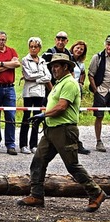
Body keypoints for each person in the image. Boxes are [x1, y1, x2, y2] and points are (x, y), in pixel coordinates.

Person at [17, 53, 107, 212]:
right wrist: (44, 117)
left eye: (56, 66)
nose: (53, 69)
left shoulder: (70, 84)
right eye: (51, 66)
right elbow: (55, 106)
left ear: (66, 67)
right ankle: (36, 195)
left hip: (64, 130)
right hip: (51, 129)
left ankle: (96, 193)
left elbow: (61, 106)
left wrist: (43, 115)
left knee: (72, 165)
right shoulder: (59, 83)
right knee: (38, 161)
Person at [19, 37, 52, 155]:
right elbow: (28, 75)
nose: (33, 49)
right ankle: (23, 144)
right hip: (29, 93)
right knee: (26, 118)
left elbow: (48, 76)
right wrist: (41, 77)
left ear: (39, 48)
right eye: (31, 47)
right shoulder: (25, 60)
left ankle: (33, 144)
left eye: (35, 47)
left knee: (37, 119)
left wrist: (38, 79)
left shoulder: (43, 61)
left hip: (40, 93)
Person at [88, 35, 110, 153]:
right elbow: (91, 74)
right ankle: (98, 141)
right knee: (99, 116)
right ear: (105, 44)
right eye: (108, 44)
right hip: (101, 90)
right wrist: (95, 90)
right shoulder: (98, 57)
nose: (109, 46)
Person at [70, 40, 91, 155]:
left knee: (74, 117)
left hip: (77, 90)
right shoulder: (68, 59)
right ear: (73, 47)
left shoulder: (81, 63)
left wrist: (81, 83)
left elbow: (83, 73)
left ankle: (75, 142)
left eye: (81, 49)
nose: (79, 50)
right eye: (77, 48)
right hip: (68, 89)